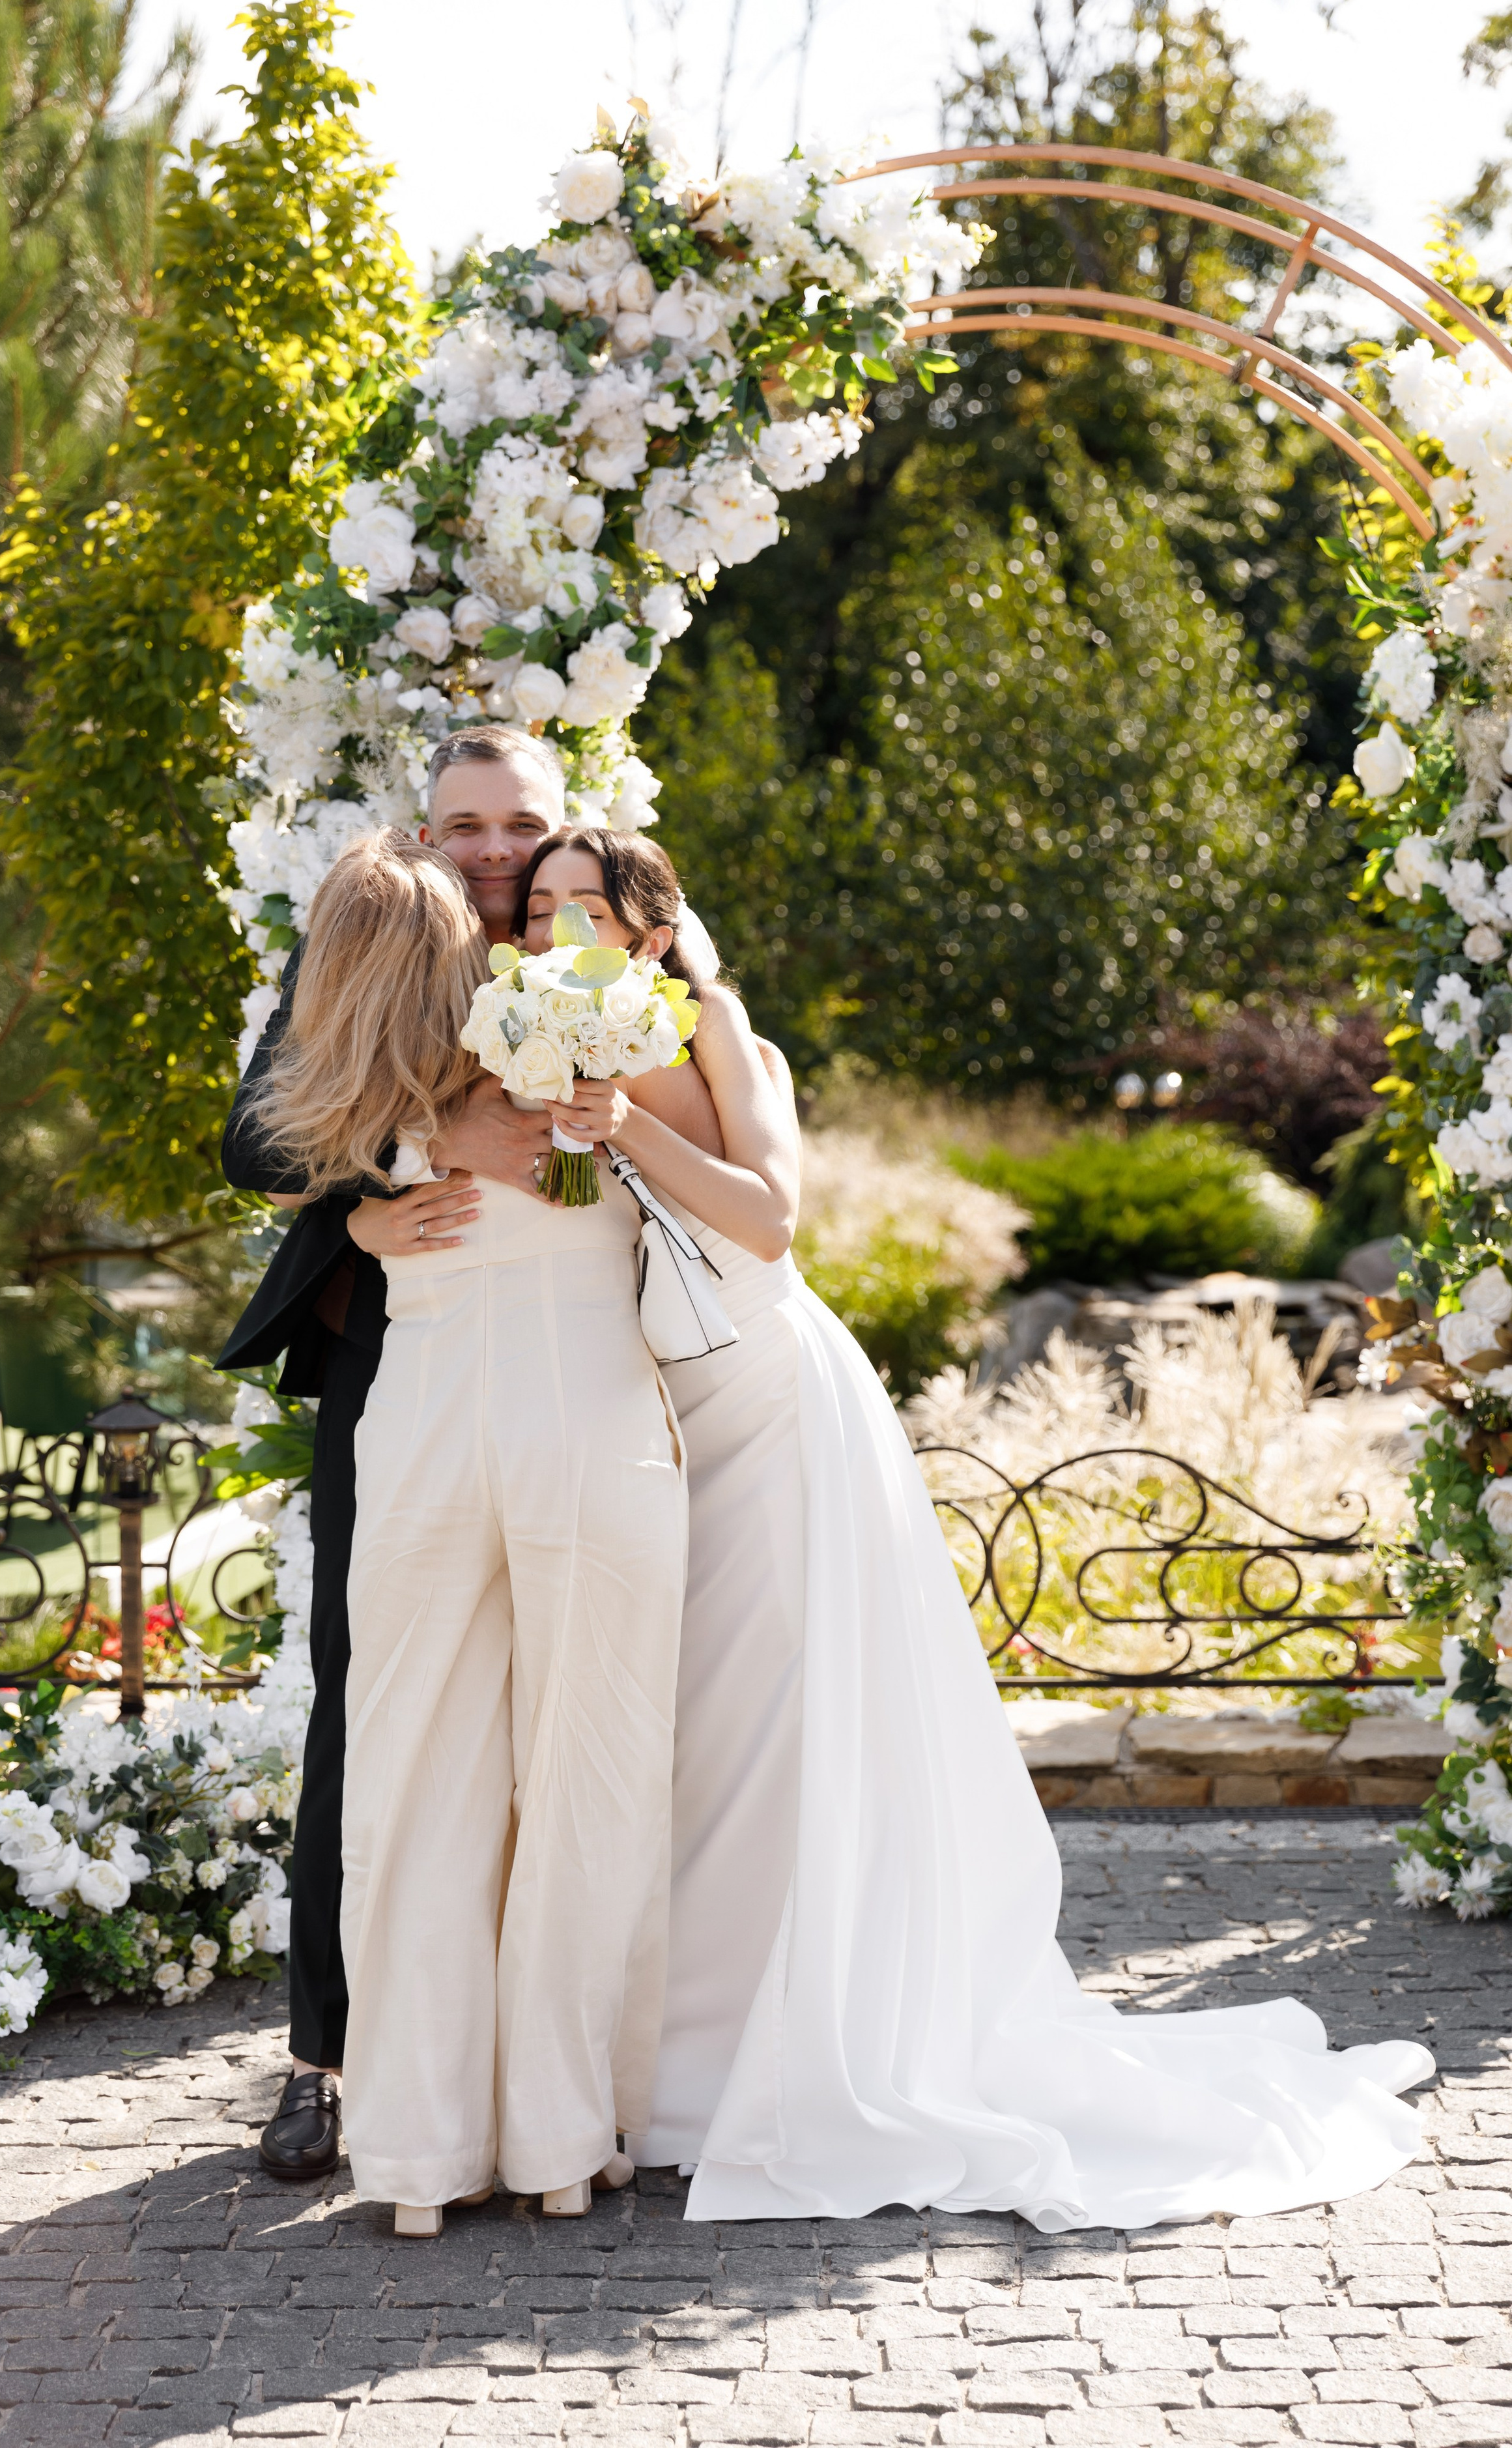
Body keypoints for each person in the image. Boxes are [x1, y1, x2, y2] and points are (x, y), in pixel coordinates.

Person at [513, 828, 1437, 2231]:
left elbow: (768, 1221)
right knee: (702, 1731)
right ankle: (683, 2053)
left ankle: (768, 2065)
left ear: (647, 934)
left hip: (775, 1401)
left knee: (776, 1724)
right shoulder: (531, 1040)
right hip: (665, 1417)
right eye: (536, 910)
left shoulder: (718, 1036)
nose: (552, 932)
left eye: (583, 908)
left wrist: (620, 1123)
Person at [251, 822, 687, 2232]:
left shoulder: (375, 1118)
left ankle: (418, 2152)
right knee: (583, 1771)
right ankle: (558, 2136)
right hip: (583, 1421)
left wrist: (386, 1185)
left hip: (423, 1430)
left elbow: (290, 1135)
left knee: (411, 1778)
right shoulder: (590, 1055)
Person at [216, 728, 564, 2182]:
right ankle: (322, 2062)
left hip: (570, 1375)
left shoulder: (601, 941)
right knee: (362, 1703)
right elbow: (255, 1143)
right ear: (427, 832)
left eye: (518, 824)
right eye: (465, 824)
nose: (493, 851)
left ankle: (540, 2056)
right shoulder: (372, 932)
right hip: (395, 1370)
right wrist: (386, 1180)